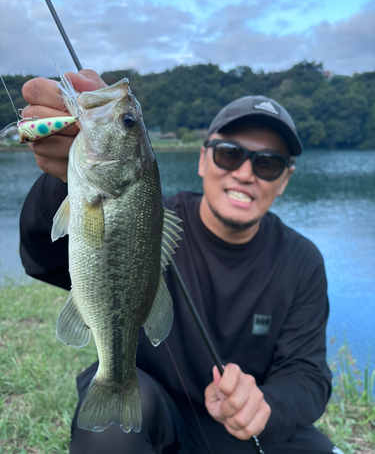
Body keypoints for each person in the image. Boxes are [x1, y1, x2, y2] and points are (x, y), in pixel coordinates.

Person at [19, 70, 340, 454]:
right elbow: (42, 258)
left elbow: (309, 376)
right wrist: (62, 179)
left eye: (267, 163)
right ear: (204, 159)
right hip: (158, 420)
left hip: (244, 436)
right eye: (229, 153)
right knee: (110, 434)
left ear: (285, 179)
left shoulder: (302, 260)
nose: (244, 173)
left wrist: (268, 405)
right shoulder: (151, 218)